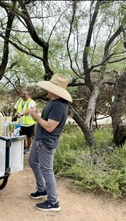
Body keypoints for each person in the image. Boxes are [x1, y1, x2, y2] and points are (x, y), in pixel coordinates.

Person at [28, 74, 72, 212]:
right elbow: (46, 121)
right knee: (32, 161)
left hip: (46, 142)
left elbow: (50, 127)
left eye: (50, 88)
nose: (47, 90)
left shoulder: (59, 106)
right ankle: (42, 190)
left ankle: (53, 202)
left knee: (47, 171)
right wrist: (37, 116)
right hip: (40, 140)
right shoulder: (53, 101)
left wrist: (35, 116)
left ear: (55, 90)